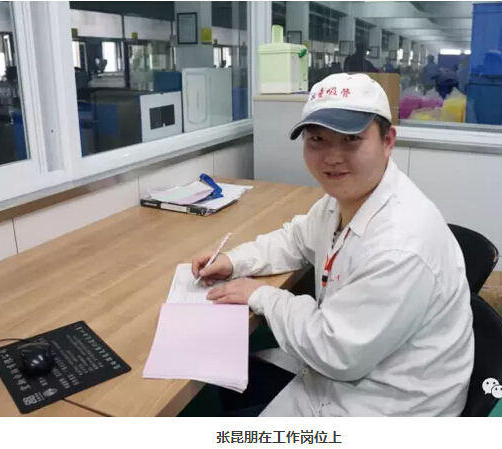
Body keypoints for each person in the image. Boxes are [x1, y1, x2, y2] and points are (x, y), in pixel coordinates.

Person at [191, 73, 474, 417]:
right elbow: (297, 239)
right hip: (359, 369)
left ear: (388, 141)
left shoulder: (400, 244)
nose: (332, 157)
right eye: (317, 139)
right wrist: (235, 261)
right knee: (229, 379)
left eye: (351, 139)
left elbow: (335, 351)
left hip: (390, 407)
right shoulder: (346, 198)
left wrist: (262, 295)